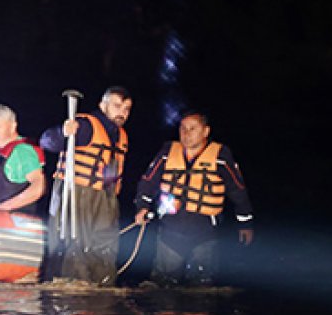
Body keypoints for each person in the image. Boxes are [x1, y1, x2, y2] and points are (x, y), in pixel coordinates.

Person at [134, 111, 254, 286]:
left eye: (192, 129)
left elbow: (237, 190)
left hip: (205, 232)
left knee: (202, 287)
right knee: (162, 285)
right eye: (182, 128)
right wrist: (142, 207)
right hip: (170, 229)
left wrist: (245, 223)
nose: (186, 133)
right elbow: (148, 181)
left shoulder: (221, 155)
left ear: (205, 131)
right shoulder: (168, 151)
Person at [38, 86, 132, 285]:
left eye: (126, 109)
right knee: (75, 245)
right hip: (77, 193)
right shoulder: (86, 125)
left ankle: (101, 289)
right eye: (117, 106)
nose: (122, 112)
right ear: (103, 105)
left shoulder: (121, 136)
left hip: (105, 198)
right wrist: (62, 132)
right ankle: (69, 290)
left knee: (104, 246)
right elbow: (46, 142)